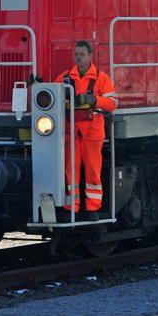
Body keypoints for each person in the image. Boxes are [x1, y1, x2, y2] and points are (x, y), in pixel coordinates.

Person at [56, 40, 117, 220]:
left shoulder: (101, 78)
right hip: (72, 132)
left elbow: (113, 104)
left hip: (92, 133)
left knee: (93, 171)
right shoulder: (64, 78)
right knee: (70, 171)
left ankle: (92, 209)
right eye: (76, 54)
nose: (79, 58)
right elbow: (52, 99)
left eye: (82, 54)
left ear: (90, 56)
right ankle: (71, 208)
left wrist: (94, 100)